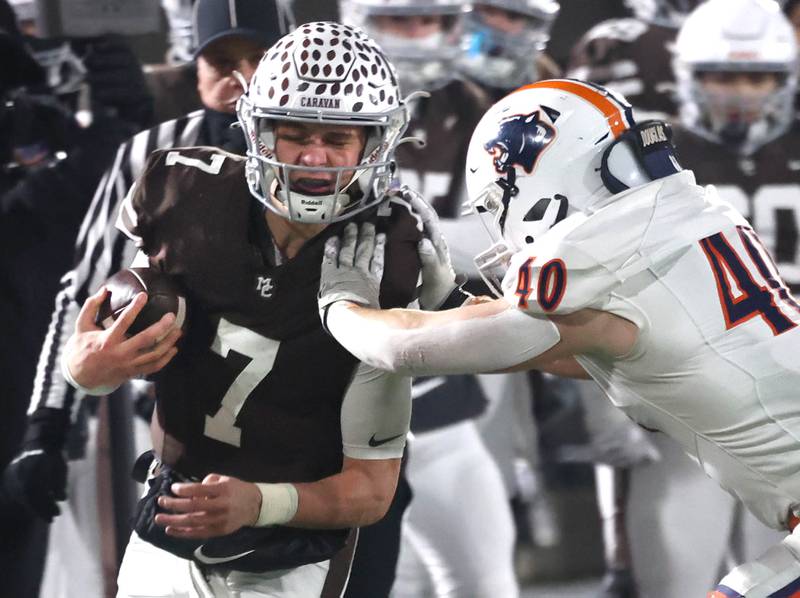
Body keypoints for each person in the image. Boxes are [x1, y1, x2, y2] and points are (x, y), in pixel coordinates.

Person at [317, 75, 800, 597]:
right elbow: (593, 347)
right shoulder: (692, 215)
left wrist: (340, 301)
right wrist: (454, 302)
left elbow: (401, 349)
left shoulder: (591, 258)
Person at [30, 20, 422, 598]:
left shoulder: (390, 254)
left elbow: (371, 490)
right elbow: (88, 322)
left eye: (337, 139)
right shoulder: (181, 190)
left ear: (373, 143)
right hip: (173, 504)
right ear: (257, 130)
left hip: (296, 541)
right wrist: (80, 375)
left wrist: (256, 502)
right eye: (294, 134)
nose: (314, 159)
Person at [1, 1, 290, 596]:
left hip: (315, 447)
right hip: (182, 439)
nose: (241, 77)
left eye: (260, 58)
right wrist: (46, 427)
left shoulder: (332, 154)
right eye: (221, 59)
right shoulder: (150, 154)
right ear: (195, 62)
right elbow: (81, 292)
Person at [340, 3, 520, 597]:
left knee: (485, 581)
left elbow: (521, 237)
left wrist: (434, 242)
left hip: (431, 392)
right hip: (322, 402)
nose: (418, 38)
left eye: (431, 22)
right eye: (401, 21)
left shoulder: (478, 108)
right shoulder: (321, 108)